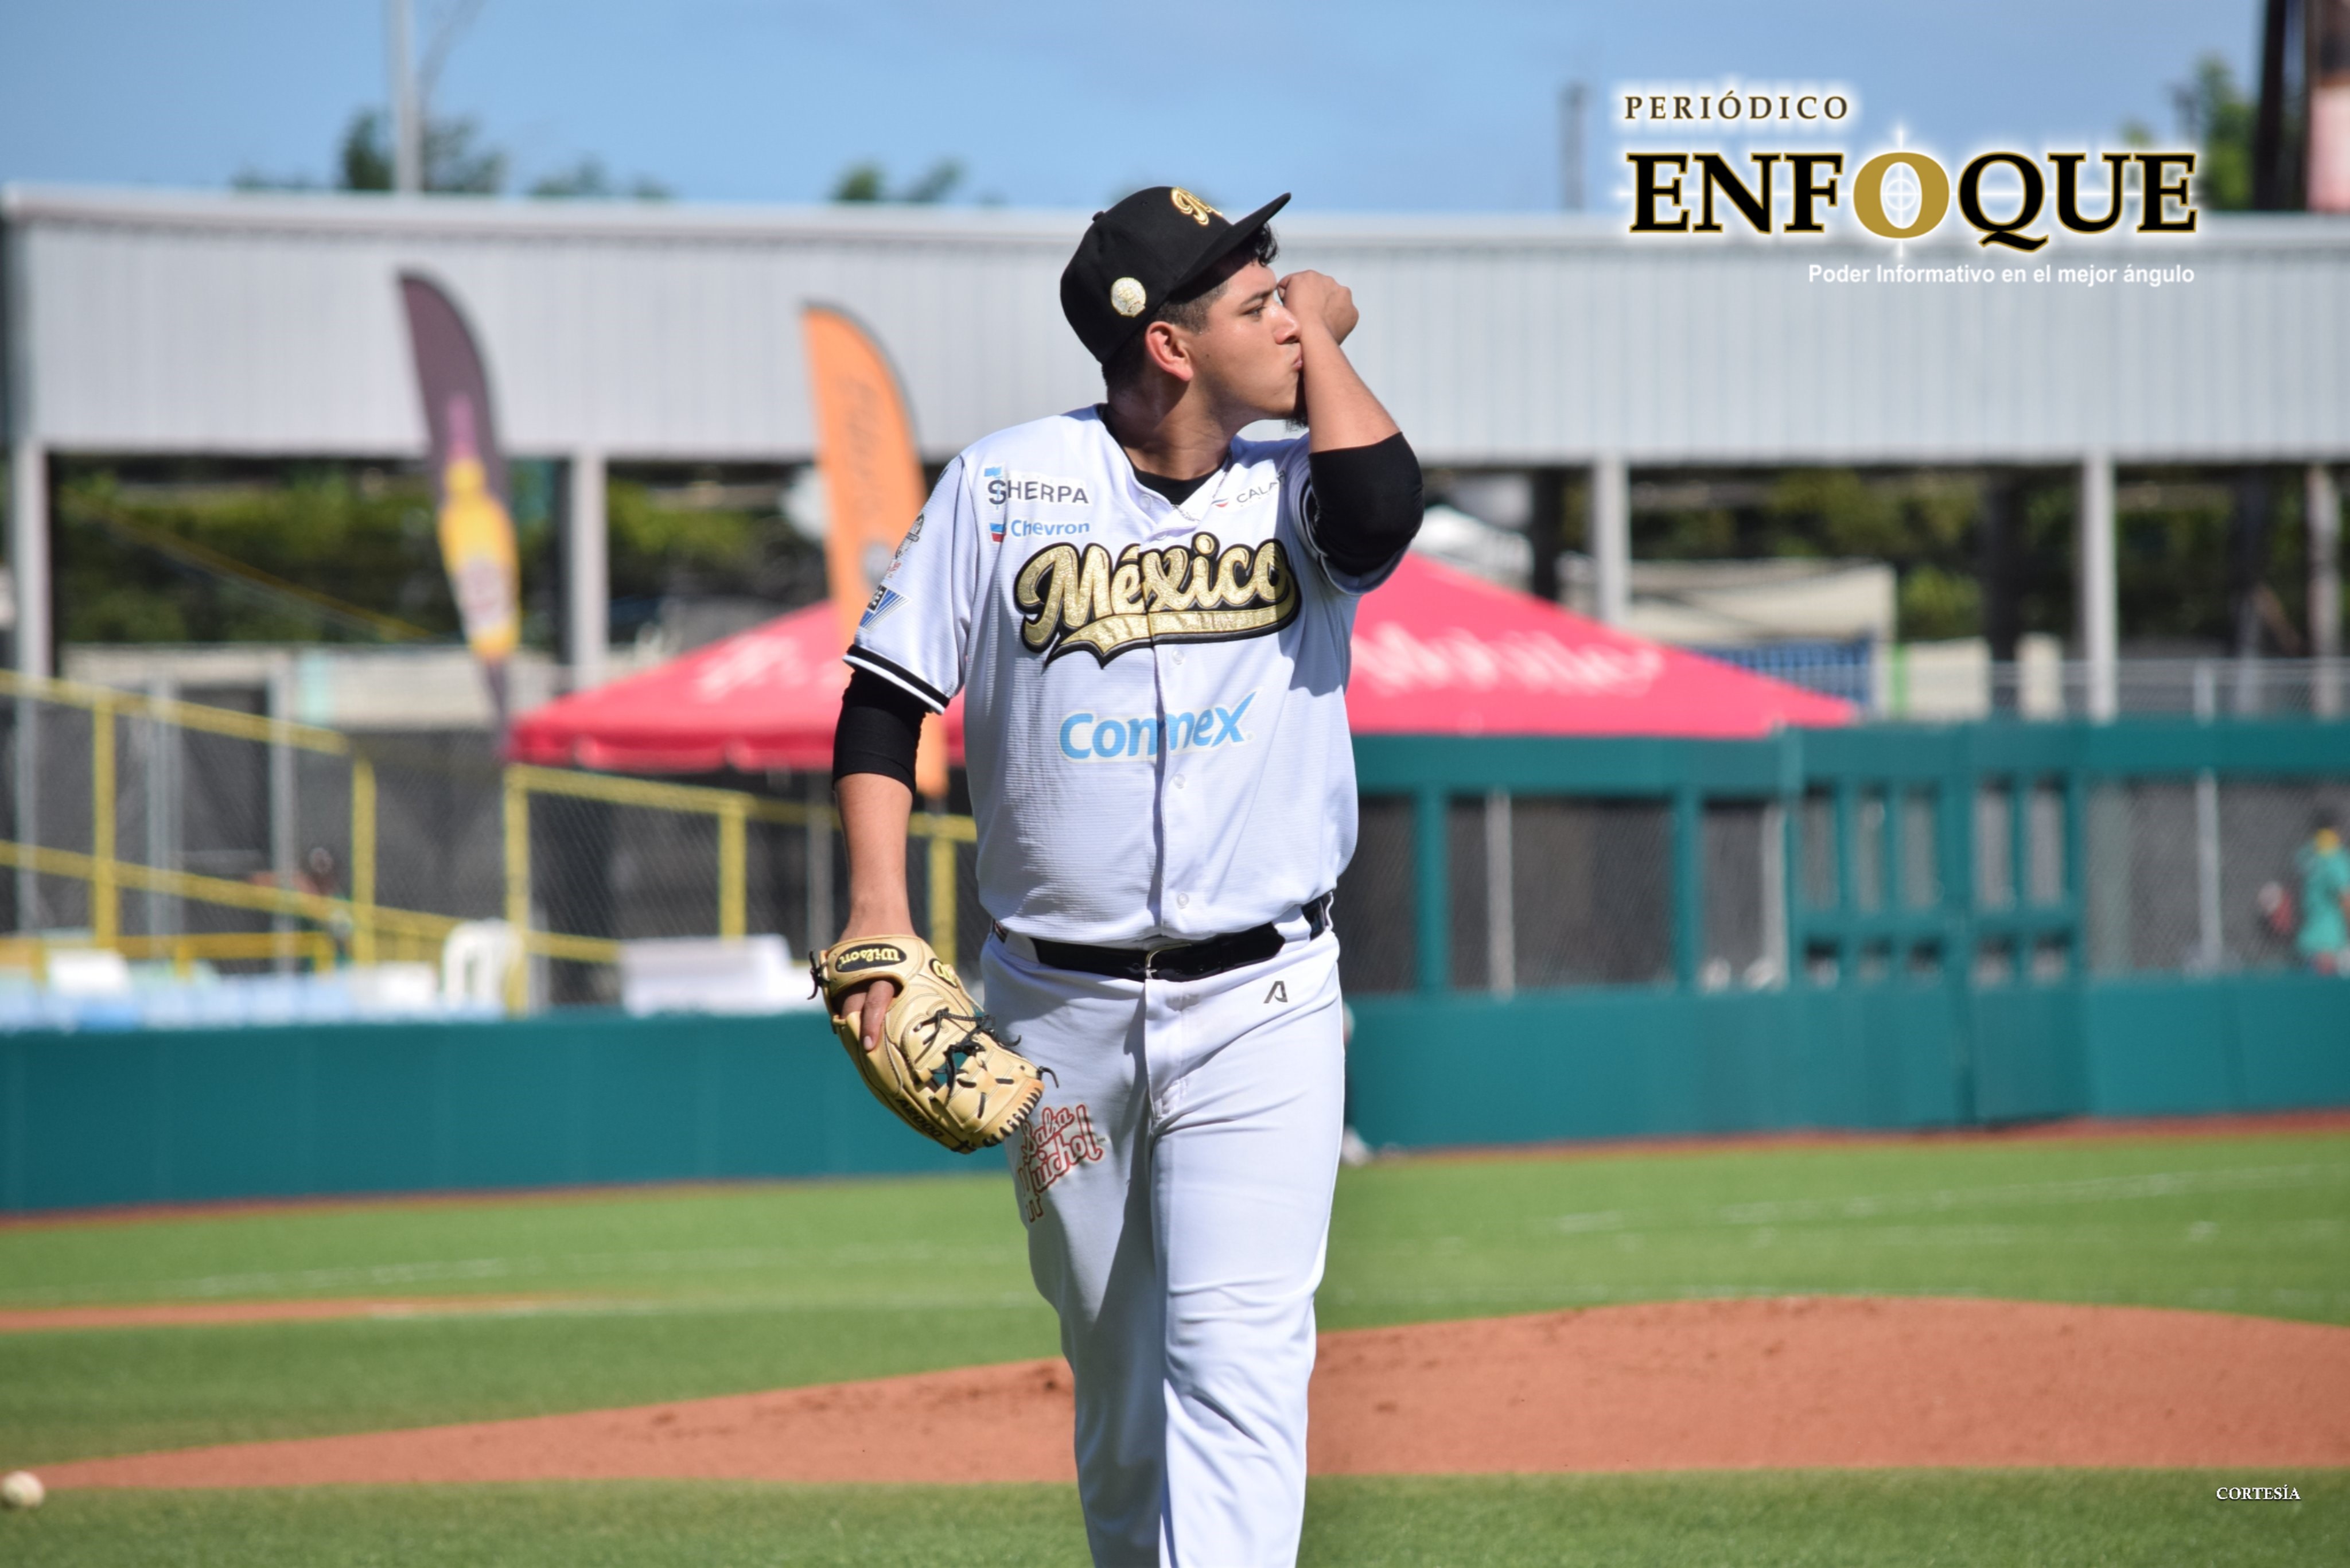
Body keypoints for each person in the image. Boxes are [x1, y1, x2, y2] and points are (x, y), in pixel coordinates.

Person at [826, 186, 1420, 1566]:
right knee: (1121, 1392)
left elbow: (1385, 514)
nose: (1289, 311)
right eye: (1253, 300)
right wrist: (873, 912)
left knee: (1238, 1358)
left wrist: (1317, 327)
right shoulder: (1005, 484)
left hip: (1265, 1003)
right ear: (1167, 345)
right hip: (1055, 1023)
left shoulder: (1298, 486)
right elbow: (879, 698)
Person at [2294, 811, 2350, 974]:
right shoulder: (2336, 859)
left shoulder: (2305, 856)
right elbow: (2346, 899)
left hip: (2305, 941)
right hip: (2328, 945)